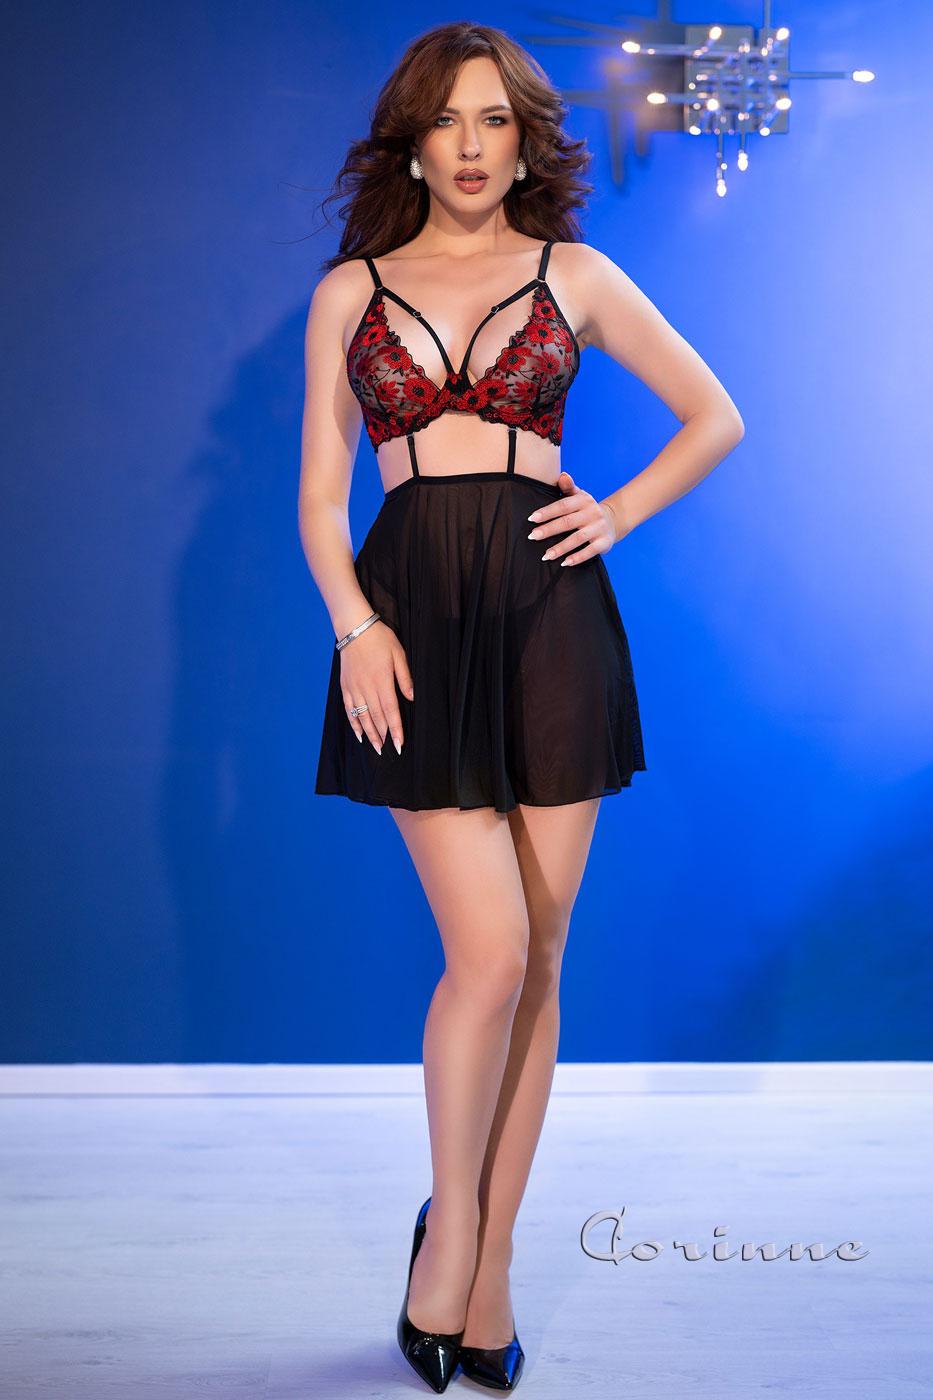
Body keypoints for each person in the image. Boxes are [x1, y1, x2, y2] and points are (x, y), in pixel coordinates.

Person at [298, 21, 744, 1393]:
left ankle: (484, 1266)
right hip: (410, 619)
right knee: (485, 954)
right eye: (447, 121)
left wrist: (617, 512)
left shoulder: (575, 274)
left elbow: (714, 415)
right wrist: (355, 628)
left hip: (552, 620)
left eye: (494, 120)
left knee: (541, 957)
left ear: (523, 139)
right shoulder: (351, 291)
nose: (472, 145)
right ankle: (449, 1236)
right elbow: (319, 495)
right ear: (411, 144)